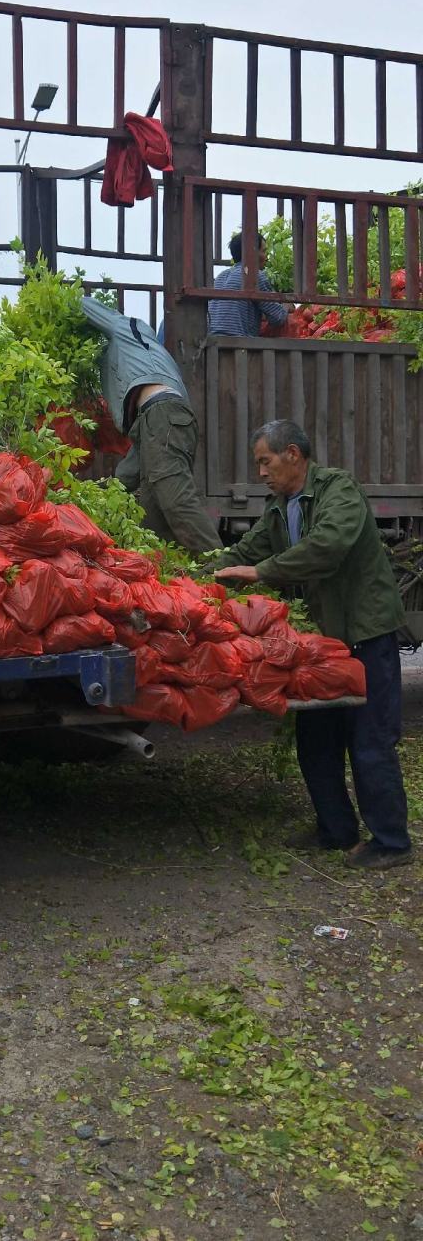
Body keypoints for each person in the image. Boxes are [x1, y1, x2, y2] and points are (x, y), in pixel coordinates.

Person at [213, 419, 412, 870]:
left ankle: (392, 841)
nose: (261, 472)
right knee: (316, 738)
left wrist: (261, 573)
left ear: (293, 456)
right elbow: (246, 550)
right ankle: (335, 829)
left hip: (365, 631)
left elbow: (328, 545)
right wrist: (199, 576)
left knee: (370, 739)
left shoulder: (338, 490)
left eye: (265, 461)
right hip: (322, 641)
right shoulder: (280, 508)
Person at [81, 295, 222, 554]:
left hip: (162, 413)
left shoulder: (128, 328)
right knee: (148, 510)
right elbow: (125, 479)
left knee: (175, 499)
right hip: (152, 423)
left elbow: (81, 304)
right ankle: (177, 577)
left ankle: (224, 573)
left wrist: (55, 297)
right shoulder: (124, 359)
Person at [208, 232, 288, 337]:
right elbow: (278, 317)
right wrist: (286, 306)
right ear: (253, 253)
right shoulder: (253, 275)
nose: (266, 257)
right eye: (264, 251)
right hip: (238, 346)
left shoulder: (221, 276)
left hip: (212, 344)